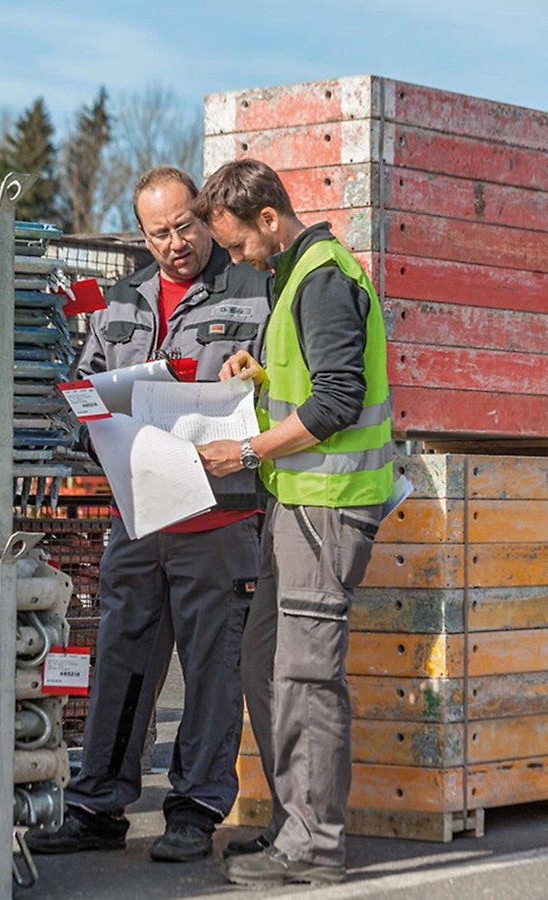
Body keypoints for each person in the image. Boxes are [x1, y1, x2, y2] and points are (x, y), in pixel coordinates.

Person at [25, 167, 271, 862]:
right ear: (142, 235)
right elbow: (86, 386)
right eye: (159, 233)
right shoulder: (123, 301)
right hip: (138, 516)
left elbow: (285, 380)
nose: (174, 244)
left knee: (212, 669)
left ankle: (194, 808)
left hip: (220, 520)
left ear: (205, 218)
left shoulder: (255, 289)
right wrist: (87, 411)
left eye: (185, 226)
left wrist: (256, 378)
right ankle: (99, 803)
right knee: (123, 660)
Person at [192, 159, 393, 887]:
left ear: (269, 219)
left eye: (240, 244)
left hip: (328, 508)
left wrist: (246, 447)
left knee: (306, 678)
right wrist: (263, 376)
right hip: (298, 506)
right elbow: (311, 379)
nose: (239, 258)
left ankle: (314, 847)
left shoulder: (323, 279)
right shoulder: (296, 275)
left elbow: (338, 400)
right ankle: (293, 825)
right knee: (267, 664)